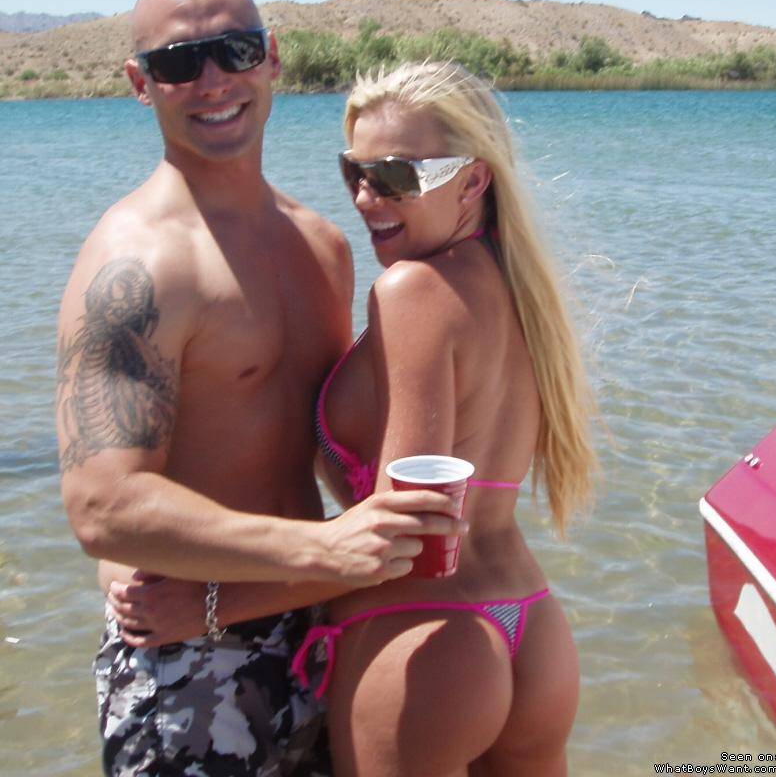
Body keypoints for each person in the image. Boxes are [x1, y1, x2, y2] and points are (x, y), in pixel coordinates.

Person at [111, 59, 596, 775]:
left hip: (426, 638)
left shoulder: (413, 292)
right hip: (532, 625)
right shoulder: (519, 289)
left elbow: (401, 537)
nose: (367, 198)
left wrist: (208, 609)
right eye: (355, 173)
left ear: (472, 182)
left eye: (396, 176)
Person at [55, 0, 467, 777]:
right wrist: (327, 548)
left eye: (235, 51)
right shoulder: (138, 261)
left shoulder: (322, 245)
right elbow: (102, 506)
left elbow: (328, 443)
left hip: (316, 624)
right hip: (187, 653)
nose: (213, 82)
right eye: (179, 63)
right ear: (141, 83)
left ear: (272, 58)